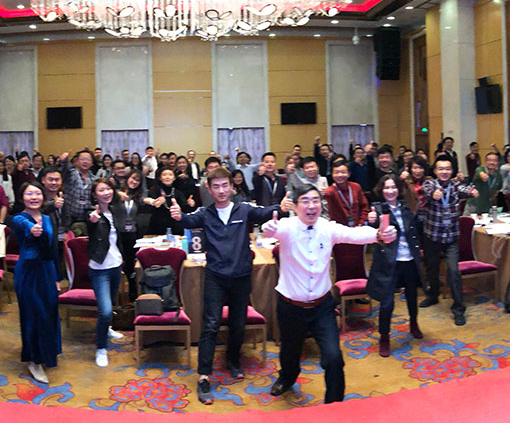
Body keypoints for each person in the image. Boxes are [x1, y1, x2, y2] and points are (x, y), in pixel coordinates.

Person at [170, 168, 294, 405]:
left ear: (232, 187)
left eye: (225, 185)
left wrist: (281, 207)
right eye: (216, 186)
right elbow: (187, 219)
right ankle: (204, 376)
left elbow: (265, 212)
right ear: (209, 189)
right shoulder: (205, 213)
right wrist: (177, 216)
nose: (221, 190)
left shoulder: (244, 209)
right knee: (210, 326)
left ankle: (233, 360)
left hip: (241, 276)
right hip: (215, 277)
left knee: (238, 323)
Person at [261, 185, 389, 404]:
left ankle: (334, 404)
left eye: (315, 201)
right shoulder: (286, 227)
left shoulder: (327, 227)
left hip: (322, 307)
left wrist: (378, 234)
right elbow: (269, 231)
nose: (311, 206)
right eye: (305, 201)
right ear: (296, 206)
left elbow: (353, 234)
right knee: (290, 352)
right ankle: (287, 377)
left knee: (333, 358)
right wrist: (268, 226)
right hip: (290, 306)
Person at [11, 180, 63, 383]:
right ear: (22, 197)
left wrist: (57, 277)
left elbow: (53, 250)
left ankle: (46, 354)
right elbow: (25, 226)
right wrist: (33, 230)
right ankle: (33, 360)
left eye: (37, 193)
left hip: (47, 271)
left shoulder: (48, 218)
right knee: (33, 316)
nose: (34, 197)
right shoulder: (19, 218)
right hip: (29, 273)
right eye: (29, 194)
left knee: (49, 313)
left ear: (43, 196)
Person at [366, 175, 423, 357]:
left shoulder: (406, 207)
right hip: (388, 263)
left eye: (393, 187)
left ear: (399, 189)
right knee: (387, 303)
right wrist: (370, 220)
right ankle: (384, 337)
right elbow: (371, 230)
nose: (390, 191)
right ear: (381, 190)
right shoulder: (377, 209)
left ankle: (413, 323)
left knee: (412, 296)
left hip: (409, 259)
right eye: (386, 188)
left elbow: (415, 230)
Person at [420, 155, 478, 326]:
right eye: (441, 169)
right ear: (435, 171)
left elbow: (466, 190)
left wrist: (473, 192)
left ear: (452, 171)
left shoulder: (455, 186)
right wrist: (434, 195)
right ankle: (433, 295)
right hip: (432, 235)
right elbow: (427, 192)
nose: (444, 172)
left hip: (451, 237)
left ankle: (458, 309)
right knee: (431, 268)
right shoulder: (429, 184)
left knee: (453, 271)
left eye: (447, 169)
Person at [86, 179, 129, 367]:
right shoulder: (92, 213)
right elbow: (90, 225)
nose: (106, 193)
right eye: (101, 190)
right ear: (95, 195)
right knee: (104, 311)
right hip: (99, 268)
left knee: (110, 305)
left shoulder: (115, 211)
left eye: (109, 189)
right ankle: (101, 348)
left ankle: (108, 328)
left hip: (116, 265)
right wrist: (93, 222)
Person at [145, 166, 194, 235]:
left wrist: (190, 204)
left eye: (170, 175)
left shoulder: (178, 192)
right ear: (160, 178)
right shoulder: (154, 191)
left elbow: (184, 209)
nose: (167, 177)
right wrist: (155, 202)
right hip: (157, 226)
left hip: (176, 226)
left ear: (174, 178)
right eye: (164, 175)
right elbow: (148, 209)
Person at [59, 150, 98, 237]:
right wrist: (64, 160)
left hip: (86, 217)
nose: (85, 161)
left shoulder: (94, 179)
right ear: (77, 161)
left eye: (88, 159)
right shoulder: (71, 174)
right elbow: (64, 169)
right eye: (82, 159)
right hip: (69, 217)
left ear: (92, 163)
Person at [323, 160, 369, 226]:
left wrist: (361, 222)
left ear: (349, 174)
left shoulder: (356, 187)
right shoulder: (330, 191)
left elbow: (364, 206)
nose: (340, 175)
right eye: (336, 172)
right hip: (338, 228)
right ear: (332, 175)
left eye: (343, 172)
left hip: (358, 226)